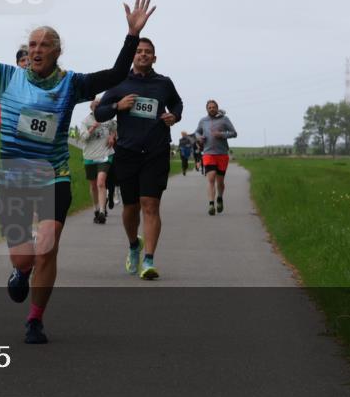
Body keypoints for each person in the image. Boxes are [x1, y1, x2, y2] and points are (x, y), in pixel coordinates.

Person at [0, 0, 156, 344]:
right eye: (32, 44)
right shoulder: (6, 76)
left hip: (54, 175)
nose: (36, 50)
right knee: (25, 258)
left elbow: (115, 74)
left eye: (44, 45)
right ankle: (21, 272)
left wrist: (132, 36)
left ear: (57, 51)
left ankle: (35, 320)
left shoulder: (72, 84)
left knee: (48, 248)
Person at [95, 38, 183, 281]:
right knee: (130, 207)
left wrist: (174, 115)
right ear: (133, 57)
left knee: (150, 204)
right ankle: (134, 244)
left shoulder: (164, 83)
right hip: (127, 152)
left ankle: (149, 260)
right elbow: (100, 112)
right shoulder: (120, 82)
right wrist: (117, 105)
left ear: (154, 58)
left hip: (156, 151)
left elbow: (177, 102)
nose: (143, 55)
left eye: (148, 52)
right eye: (139, 51)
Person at [194, 100, 238, 216]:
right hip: (208, 153)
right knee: (211, 178)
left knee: (220, 181)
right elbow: (197, 132)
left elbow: (234, 133)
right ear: (207, 109)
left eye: (214, 107)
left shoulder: (224, 119)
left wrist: (222, 135)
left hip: (222, 153)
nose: (211, 109)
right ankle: (211, 204)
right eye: (209, 107)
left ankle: (219, 198)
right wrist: (199, 137)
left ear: (217, 108)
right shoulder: (203, 121)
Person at [81, 97, 116, 223]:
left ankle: (102, 212)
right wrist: (92, 128)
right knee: (93, 185)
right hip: (90, 156)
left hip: (105, 154)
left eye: (100, 106)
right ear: (92, 108)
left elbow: (114, 129)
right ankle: (96, 209)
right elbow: (83, 138)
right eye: (96, 106)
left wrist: (112, 137)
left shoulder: (109, 119)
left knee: (101, 182)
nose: (98, 109)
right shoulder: (86, 121)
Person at [0, 46, 30, 134]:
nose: (26, 63)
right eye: (23, 60)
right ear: (18, 64)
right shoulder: (12, 88)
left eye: (29, 60)